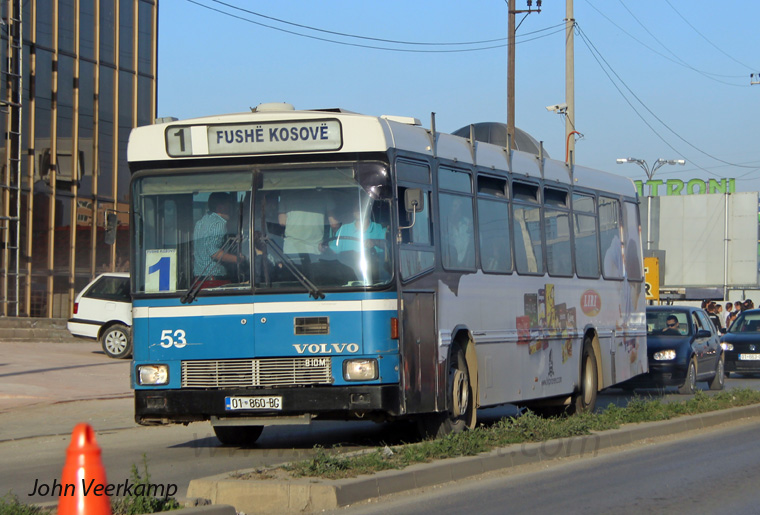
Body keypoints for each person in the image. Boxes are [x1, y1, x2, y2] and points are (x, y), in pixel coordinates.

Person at [193, 192, 243, 279]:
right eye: (230, 205)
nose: (232, 209)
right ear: (220, 207)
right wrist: (238, 259)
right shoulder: (219, 223)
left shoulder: (200, 222)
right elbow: (214, 252)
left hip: (199, 278)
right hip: (215, 278)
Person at [278, 189, 338, 255]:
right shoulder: (325, 191)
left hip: (291, 250)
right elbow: (334, 224)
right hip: (314, 250)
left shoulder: (286, 190)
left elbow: (282, 222)